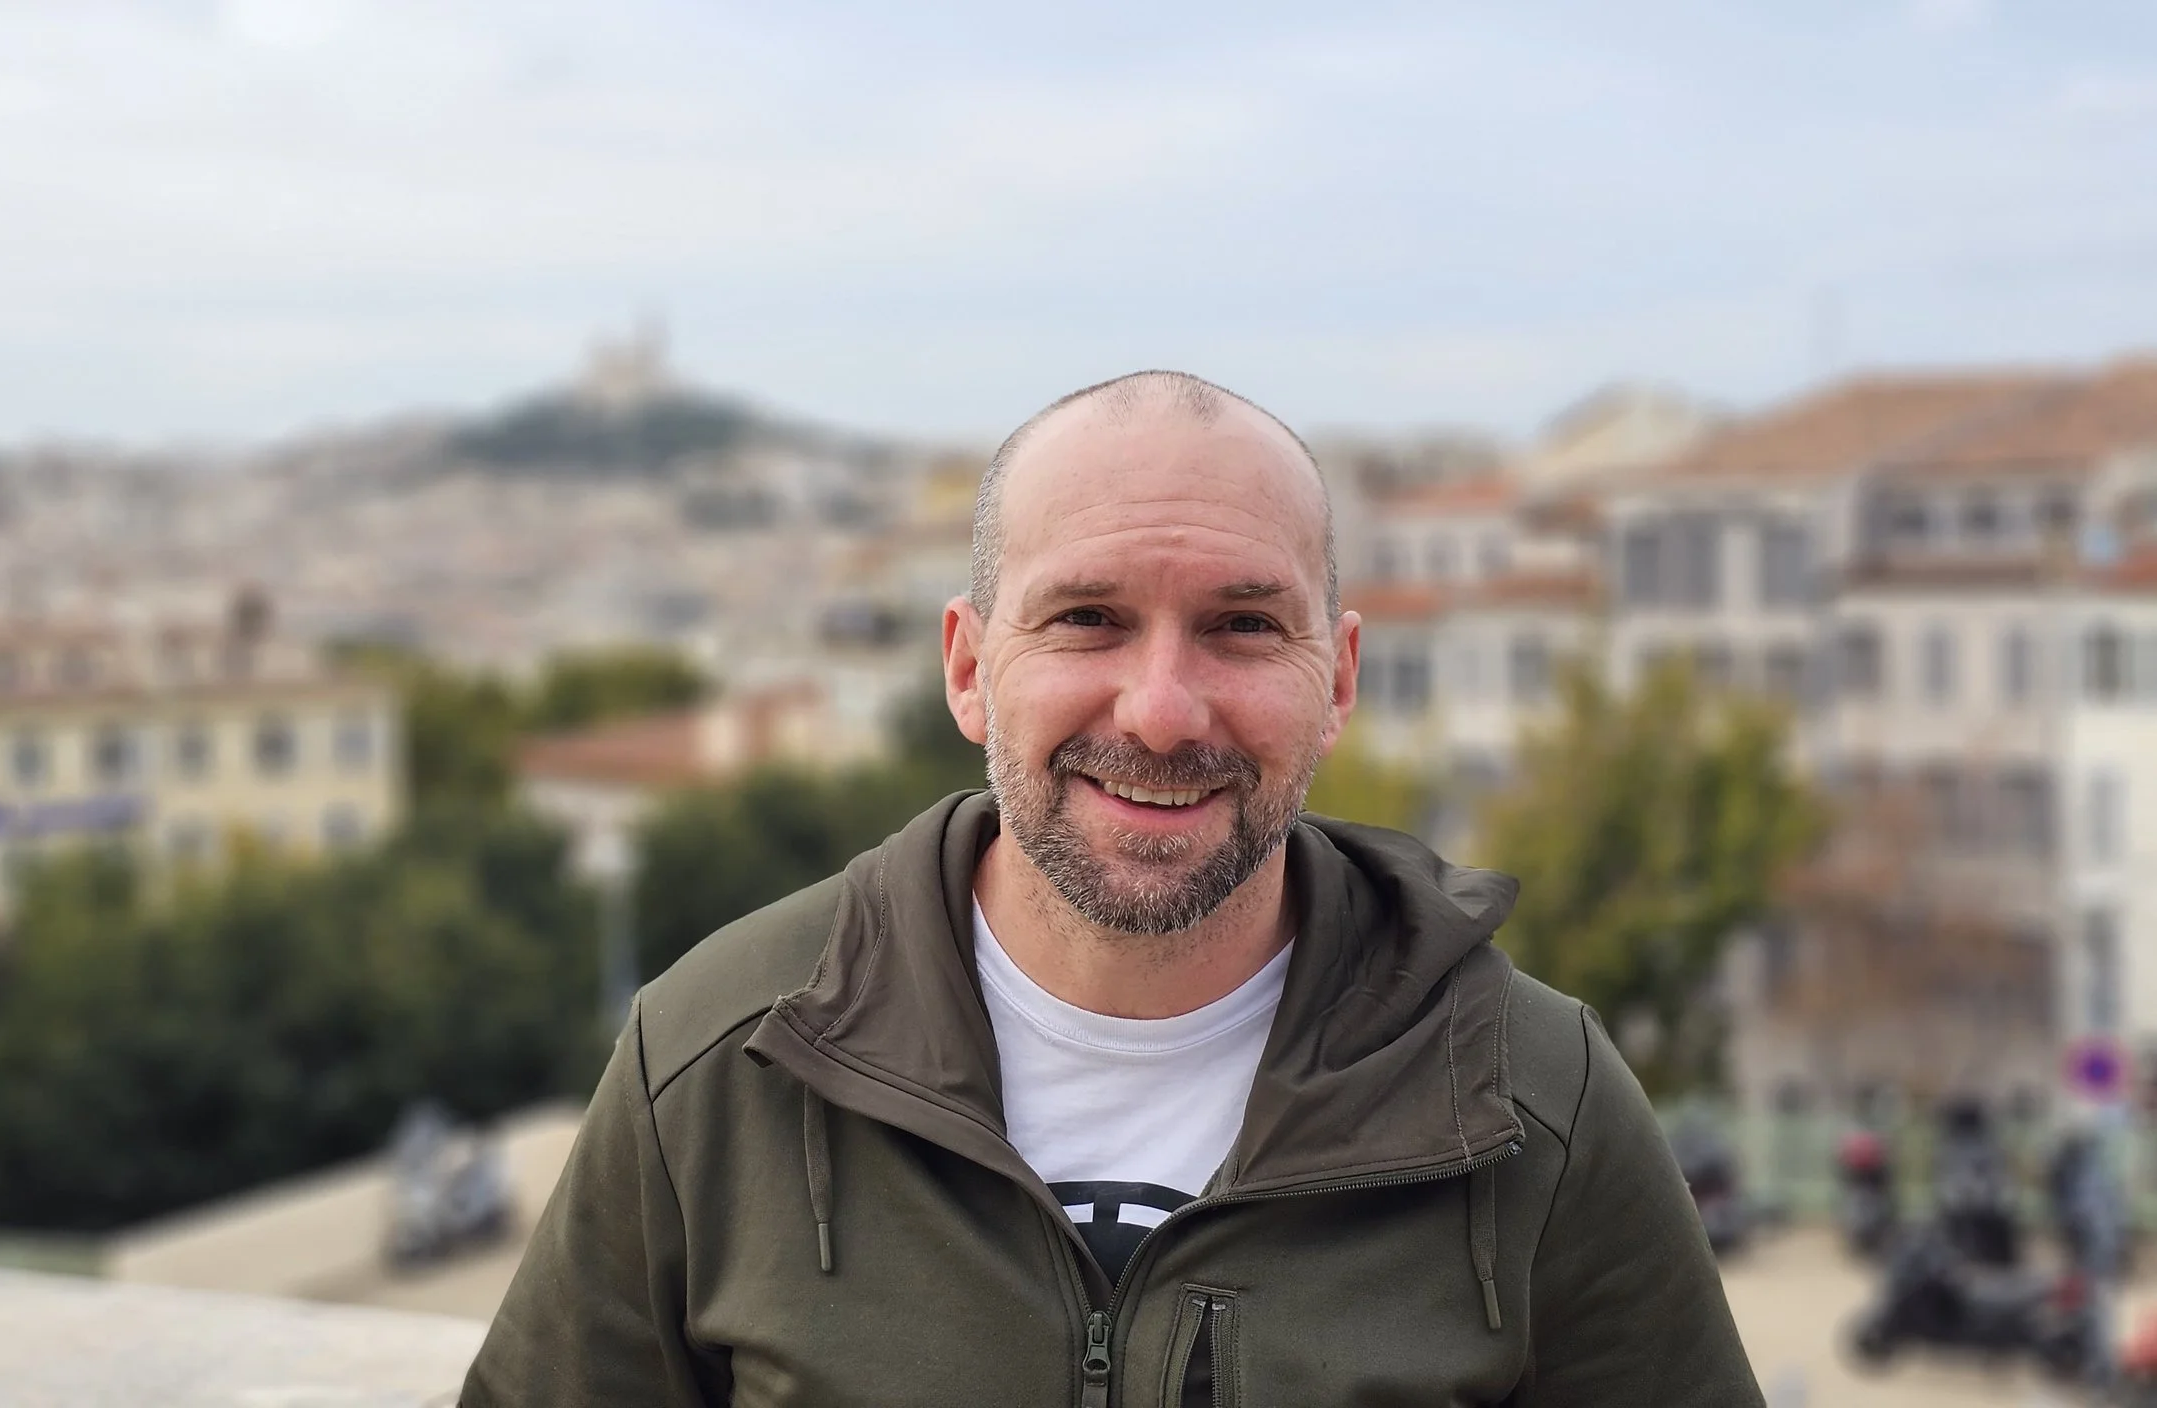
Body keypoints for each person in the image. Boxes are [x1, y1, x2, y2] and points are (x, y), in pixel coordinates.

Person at [460, 371, 1760, 1406]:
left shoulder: (1539, 1100)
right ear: (969, 666)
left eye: (1244, 626)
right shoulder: (719, 1059)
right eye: (1085, 619)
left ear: (1340, 678)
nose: (1161, 708)